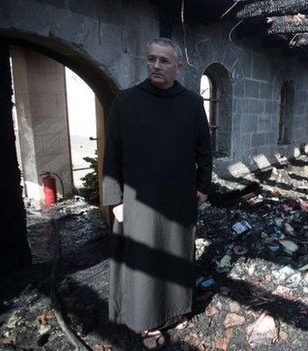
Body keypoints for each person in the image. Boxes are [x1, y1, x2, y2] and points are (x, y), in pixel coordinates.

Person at [102, 37, 212, 350]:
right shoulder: (126, 102)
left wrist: (203, 186)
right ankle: (146, 323)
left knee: (177, 256)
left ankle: (175, 310)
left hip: (179, 198)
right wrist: (116, 199)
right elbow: (112, 156)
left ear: (179, 67)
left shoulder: (192, 103)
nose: (156, 66)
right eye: (151, 59)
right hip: (138, 201)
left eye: (164, 61)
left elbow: (204, 149)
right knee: (145, 263)